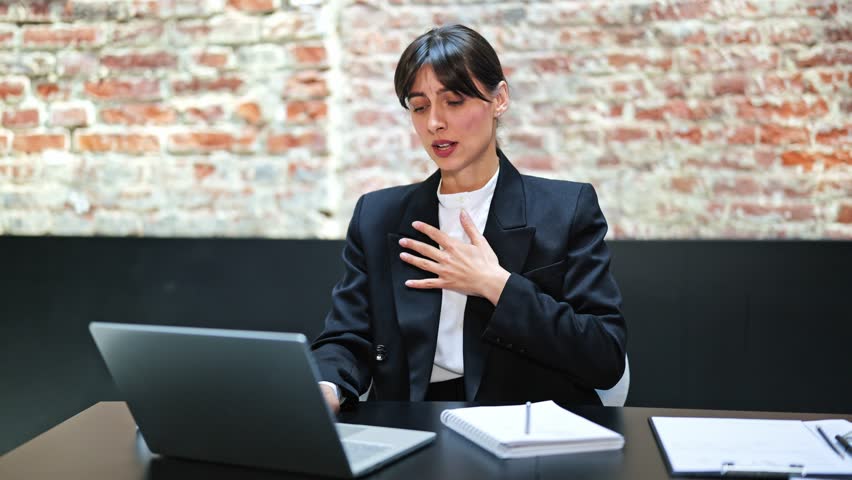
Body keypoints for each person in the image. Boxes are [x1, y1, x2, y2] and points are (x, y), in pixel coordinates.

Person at [312, 24, 626, 413]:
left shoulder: (565, 208)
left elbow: (604, 356)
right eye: (420, 106)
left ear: (500, 99)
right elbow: (346, 339)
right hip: (409, 421)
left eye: (454, 101)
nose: (434, 124)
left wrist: (497, 285)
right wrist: (327, 386)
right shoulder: (377, 216)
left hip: (524, 424)